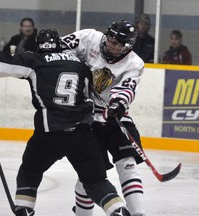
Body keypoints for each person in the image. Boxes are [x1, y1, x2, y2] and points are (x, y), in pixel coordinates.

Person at [0, 29, 131, 216]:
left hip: (49, 134)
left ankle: (25, 209)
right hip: (83, 135)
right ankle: (118, 210)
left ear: (39, 45)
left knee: (29, 172)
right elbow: (96, 95)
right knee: (96, 182)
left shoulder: (34, 60)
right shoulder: (81, 65)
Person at [62, 20, 146, 216]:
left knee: (128, 165)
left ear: (128, 46)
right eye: (110, 39)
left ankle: (138, 214)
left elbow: (126, 89)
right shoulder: (89, 37)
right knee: (89, 175)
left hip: (114, 117)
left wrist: (117, 104)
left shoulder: (134, 63)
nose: (110, 45)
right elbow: (58, 48)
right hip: (86, 119)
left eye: (117, 44)